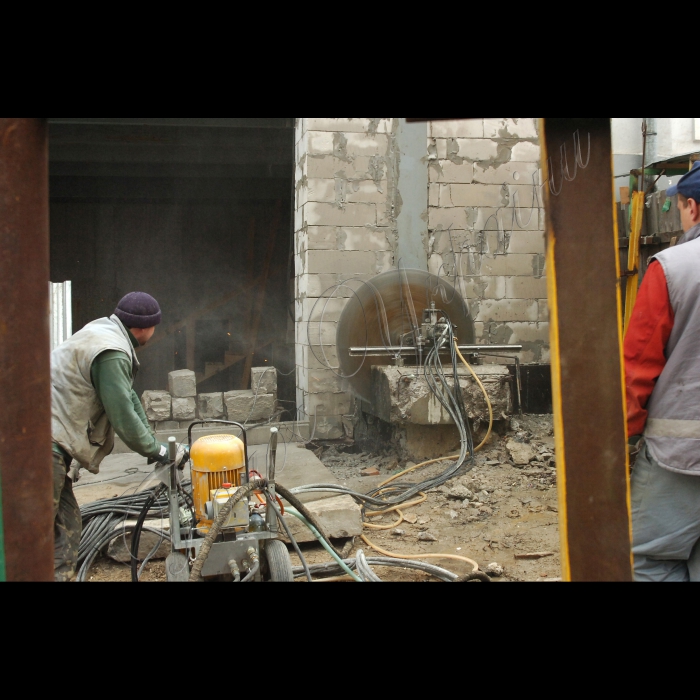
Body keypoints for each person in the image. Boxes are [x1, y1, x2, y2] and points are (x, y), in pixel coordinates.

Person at [51, 292, 185, 582]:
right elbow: (122, 413)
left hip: (51, 444)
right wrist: (157, 450)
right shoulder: (111, 351)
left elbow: (129, 398)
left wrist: (155, 446)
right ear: (144, 326)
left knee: (67, 525)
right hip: (40, 446)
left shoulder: (105, 332)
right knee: (34, 535)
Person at [625, 160, 700, 581]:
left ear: (692, 207)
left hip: (682, 457)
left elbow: (638, 369)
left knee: (651, 559)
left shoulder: (673, 268)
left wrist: (623, 437)